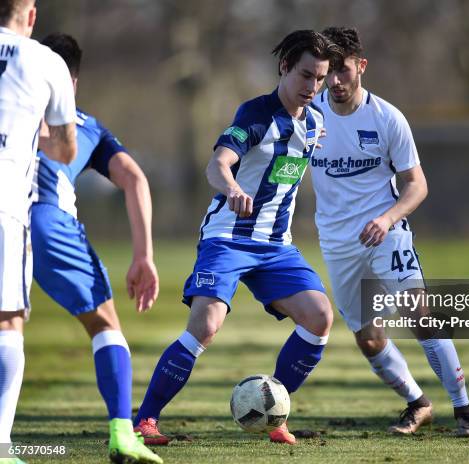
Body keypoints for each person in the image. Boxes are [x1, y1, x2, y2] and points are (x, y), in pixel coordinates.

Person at [133, 30, 342, 447]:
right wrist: (232, 189)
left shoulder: (316, 120)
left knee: (319, 317)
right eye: (305, 75)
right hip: (227, 238)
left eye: (319, 79)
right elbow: (218, 163)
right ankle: (144, 421)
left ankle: (273, 411)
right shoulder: (256, 114)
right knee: (206, 325)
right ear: (284, 67)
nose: (312, 87)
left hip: (276, 246)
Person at [311, 27, 469, 437]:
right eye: (327, 73)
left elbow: (417, 184)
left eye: (343, 70)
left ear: (361, 66)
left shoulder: (388, 118)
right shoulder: (309, 115)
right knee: (368, 339)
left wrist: (387, 219)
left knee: (418, 313)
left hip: (387, 234)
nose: (334, 81)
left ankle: (465, 411)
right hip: (337, 244)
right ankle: (418, 403)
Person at [31, 33, 162, 464]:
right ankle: (123, 435)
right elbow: (134, 179)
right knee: (105, 323)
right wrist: (143, 255)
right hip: (47, 219)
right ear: (74, 81)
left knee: (6, 327)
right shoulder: (83, 123)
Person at [0, 2, 76, 462]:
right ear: (30, 15)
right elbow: (67, 149)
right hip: (5, 205)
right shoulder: (47, 61)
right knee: (7, 320)